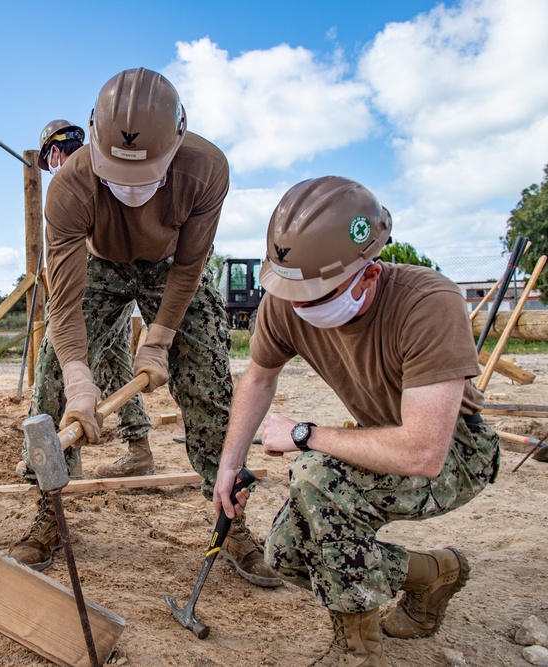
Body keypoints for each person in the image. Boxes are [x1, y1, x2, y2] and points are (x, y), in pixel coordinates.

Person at [10, 68, 281, 590]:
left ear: (177, 140)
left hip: (172, 265)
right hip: (101, 264)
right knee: (50, 381)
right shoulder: (68, 189)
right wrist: (78, 377)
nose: (132, 191)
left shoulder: (206, 170)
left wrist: (157, 341)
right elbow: (63, 304)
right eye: (118, 177)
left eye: (146, 177)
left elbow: (190, 267)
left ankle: (233, 522)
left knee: (209, 385)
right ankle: (49, 512)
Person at [213, 176, 500, 665]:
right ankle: (432, 573)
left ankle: (356, 651)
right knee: (287, 551)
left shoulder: (428, 303)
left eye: (316, 296)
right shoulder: (289, 298)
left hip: (457, 453)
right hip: (389, 444)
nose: (298, 307)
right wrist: (228, 466)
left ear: (368, 275)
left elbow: (423, 452)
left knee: (314, 475)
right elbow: (259, 377)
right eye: (293, 293)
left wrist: (304, 435)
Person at [35, 119, 154, 479]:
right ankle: (139, 448)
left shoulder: (68, 183)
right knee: (116, 364)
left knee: (58, 362)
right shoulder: (107, 168)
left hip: (98, 282)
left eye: (50, 161)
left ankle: (54, 462)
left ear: (54, 153)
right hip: (129, 277)